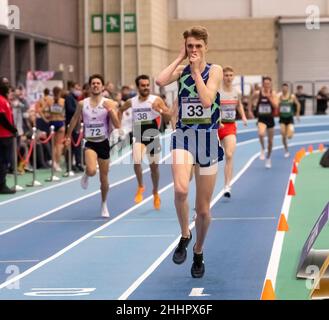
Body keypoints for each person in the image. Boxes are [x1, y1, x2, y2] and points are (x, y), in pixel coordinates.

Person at [156, 26, 223, 278]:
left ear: (206, 47)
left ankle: (198, 249)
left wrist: (196, 72)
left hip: (207, 140)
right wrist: (180, 58)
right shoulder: (183, 68)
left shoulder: (213, 70)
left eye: (197, 46)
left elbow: (206, 101)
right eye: (189, 46)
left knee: (203, 210)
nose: (194, 50)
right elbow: (160, 81)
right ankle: (185, 234)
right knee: (181, 189)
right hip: (184, 137)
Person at [65, 74, 120, 218]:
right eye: (93, 83)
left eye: (98, 83)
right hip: (90, 142)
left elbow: (117, 124)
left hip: (104, 142)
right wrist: (67, 136)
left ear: (102, 87)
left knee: (104, 178)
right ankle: (87, 174)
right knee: (91, 170)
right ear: (90, 86)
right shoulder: (83, 103)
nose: (96, 85)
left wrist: (110, 110)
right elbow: (75, 118)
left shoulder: (109, 103)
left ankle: (103, 203)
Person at [119, 75, 172, 210]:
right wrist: (118, 127)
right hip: (138, 134)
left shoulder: (156, 100)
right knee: (137, 160)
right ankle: (141, 186)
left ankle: (155, 191)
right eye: (143, 85)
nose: (146, 87)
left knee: (154, 168)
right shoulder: (132, 101)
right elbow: (120, 110)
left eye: (148, 85)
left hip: (153, 134)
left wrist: (158, 110)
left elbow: (168, 116)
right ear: (138, 87)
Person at [218, 66, 247, 198]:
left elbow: (239, 104)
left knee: (229, 155)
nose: (229, 77)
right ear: (222, 76)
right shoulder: (217, 91)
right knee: (210, 158)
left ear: (233, 77)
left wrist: (244, 116)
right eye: (226, 75)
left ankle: (227, 185)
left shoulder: (237, 91)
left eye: (231, 75)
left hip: (230, 126)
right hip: (216, 127)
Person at [248, 76, 278, 169]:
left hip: (270, 119)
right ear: (263, 84)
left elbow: (276, 106)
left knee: (270, 141)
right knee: (261, 134)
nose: (266, 85)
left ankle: (268, 158)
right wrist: (249, 110)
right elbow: (250, 100)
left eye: (268, 83)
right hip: (261, 118)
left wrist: (270, 97)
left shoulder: (273, 93)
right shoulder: (258, 93)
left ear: (270, 84)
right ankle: (262, 148)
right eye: (265, 83)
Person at [0, 77, 17, 194]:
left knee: (5, 161)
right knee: (2, 161)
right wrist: (12, 129)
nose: (7, 85)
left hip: (7, 135)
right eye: (5, 83)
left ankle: (2, 183)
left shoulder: (5, 99)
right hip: (2, 135)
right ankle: (2, 185)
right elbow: (1, 118)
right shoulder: (0, 99)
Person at [64, 82, 83, 172]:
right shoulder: (69, 97)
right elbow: (70, 109)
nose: (78, 90)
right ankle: (69, 164)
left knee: (77, 145)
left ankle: (78, 163)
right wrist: (79, 109)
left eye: (79, 88)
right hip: (70, 124)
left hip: (77, 125)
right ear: (72, 88)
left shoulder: (76, 99)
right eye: (76, 88)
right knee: (71, 145)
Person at [278, 83, 301, 158]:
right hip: (282, 118)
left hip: (290, 118)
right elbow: (275, 104)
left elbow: (298, 104)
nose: (284, 89)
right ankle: (286, 150)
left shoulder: (292, 96)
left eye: (286, 88)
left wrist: (297, 114)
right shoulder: (279, 96)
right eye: (283, 88)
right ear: (282, 89)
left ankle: (291, 131)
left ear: (287, 89)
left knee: (290, 136)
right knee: (283, 135)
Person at [47, 87, 66, 172]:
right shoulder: (63, 101)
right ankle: (57, 163)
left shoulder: (49, 101)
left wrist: (46, 117)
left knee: (54, 145)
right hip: (60, 123)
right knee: (59, 145)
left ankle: (54, 162)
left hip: (52, 123)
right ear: (60, 92)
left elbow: (42, 110)